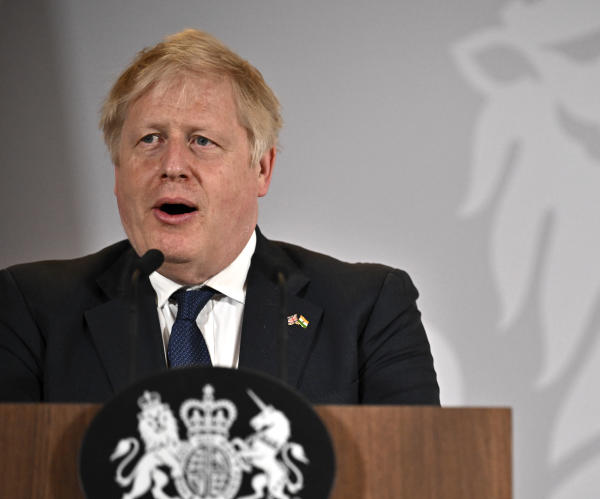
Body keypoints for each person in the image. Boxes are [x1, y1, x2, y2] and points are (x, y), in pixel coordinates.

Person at [0, 29, 439, 405]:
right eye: (150, 139)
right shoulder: (32, 309)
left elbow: (415, 486)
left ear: (261, 169)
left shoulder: (367, 309)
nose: (173, 165)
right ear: (118, 171)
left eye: (202, 141)